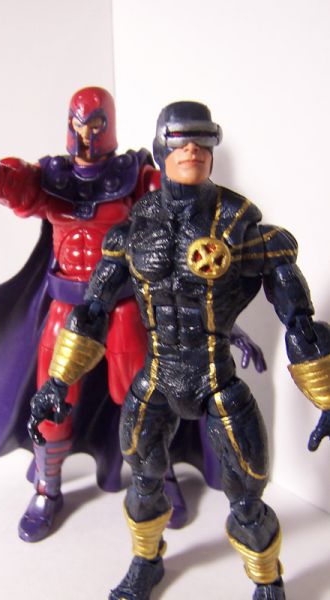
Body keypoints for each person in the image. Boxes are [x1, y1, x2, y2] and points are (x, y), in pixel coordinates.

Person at [0, 69, 264, 544]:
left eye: (95, 124)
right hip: (67, 312)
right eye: (78, 124)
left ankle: (158, 479)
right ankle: (48, 487)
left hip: (123, 309)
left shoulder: (136, 177)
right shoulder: (49, 178)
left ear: (111, 124)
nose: (85, 134)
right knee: (53, 399)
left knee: (147, 399)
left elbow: (181, 211)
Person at [28, 101, 330, 599]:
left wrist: (325, 395)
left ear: (213, 147)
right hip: (157, 377)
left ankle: (267, 580)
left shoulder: (242, 227)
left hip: (216, 381)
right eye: (178, 139)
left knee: (247, 494)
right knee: (143, 481)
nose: (191, 149)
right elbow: (93, 312)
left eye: (202, 139)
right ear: (159, 149)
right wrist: (58, 383)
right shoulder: (133, 230)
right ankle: (146, 562)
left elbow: (298, 320)